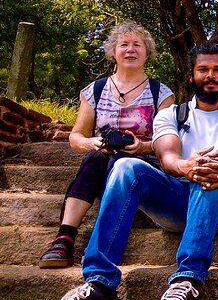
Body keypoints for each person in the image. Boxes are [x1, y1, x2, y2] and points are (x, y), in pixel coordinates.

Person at [29, 41, 218, 300]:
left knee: (210, 170)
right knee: (126, 165)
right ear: (191, 76)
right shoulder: (172, 114)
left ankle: (187, 280)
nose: (210, 75)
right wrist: (184, 166)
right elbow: (167, 156)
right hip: (178, 198)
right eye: (203, 69)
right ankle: (100, 286)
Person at [38, 21, 174, 269]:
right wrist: (93, 142)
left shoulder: (161, 93)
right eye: (123, 44)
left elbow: (169, 141)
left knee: (120, 162)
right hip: (102, 162)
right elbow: (76, 136)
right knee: (97, 158)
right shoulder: (95, 91)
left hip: (141, 166)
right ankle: (64, 237)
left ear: (148, 52)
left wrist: (142, 146)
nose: (130, 49)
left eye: (137, 44)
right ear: (113, 52)